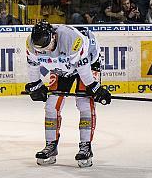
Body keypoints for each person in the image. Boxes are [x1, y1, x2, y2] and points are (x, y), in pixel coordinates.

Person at [24, 21, 111, 168]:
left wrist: (94, 88)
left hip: (87, 63)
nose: (45, 52)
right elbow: (33, 66)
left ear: (53, 37)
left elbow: (83, 70)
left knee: (84, 102)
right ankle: (50, 145)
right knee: (51, 105)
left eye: (47, 47)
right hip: (60, 67)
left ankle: (85, 147)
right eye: (41, 50)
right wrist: (35, 85)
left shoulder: (72, 39)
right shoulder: (31, 43)